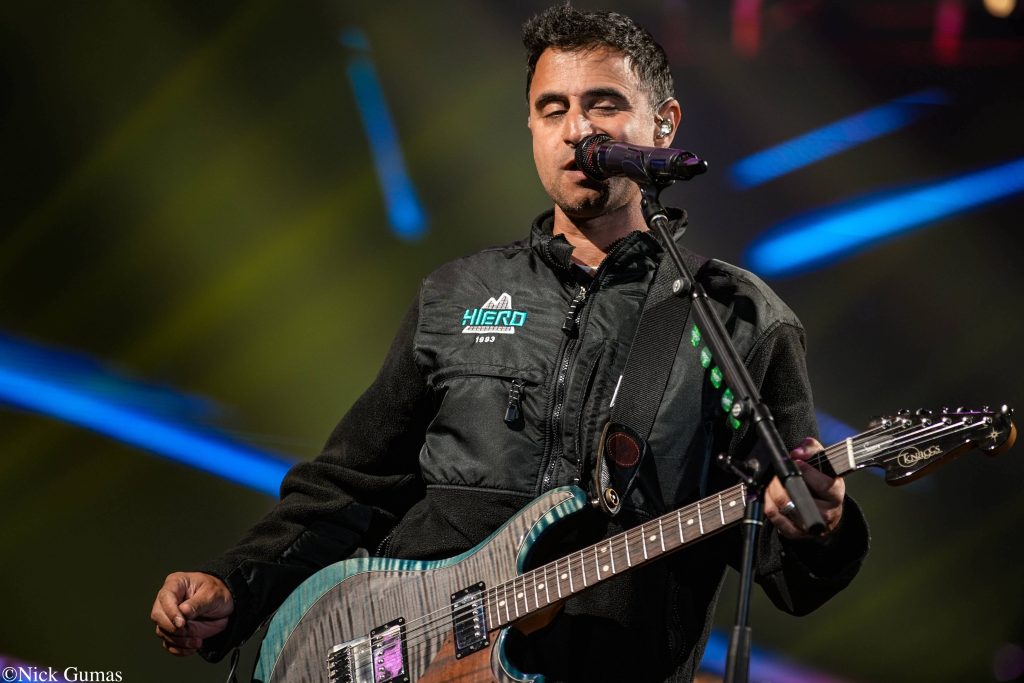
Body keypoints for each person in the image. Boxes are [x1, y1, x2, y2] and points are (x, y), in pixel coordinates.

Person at [150, 6, 869, 682]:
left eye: (603, 105)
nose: (576, 130)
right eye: (553, 109)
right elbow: (349, 486)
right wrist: (235, 583)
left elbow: (792, 570)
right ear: (530, 126)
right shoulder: (457, 293)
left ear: (664, 123)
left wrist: (822, 524)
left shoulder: (736, 317)